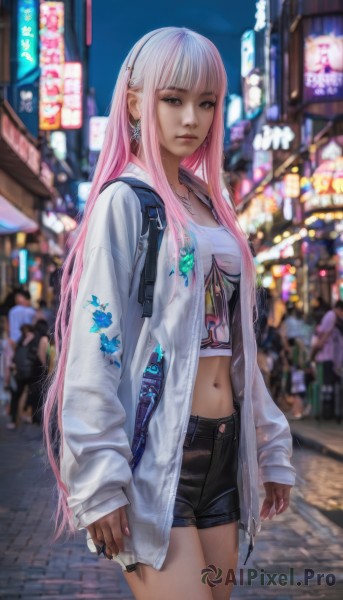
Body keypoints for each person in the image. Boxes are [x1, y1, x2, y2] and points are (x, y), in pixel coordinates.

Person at [44, 28, 296, 600]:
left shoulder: (210, 202)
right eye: (173, 99)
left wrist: (269, 444)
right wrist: (102, 482)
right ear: (135, 100)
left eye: (207, 102)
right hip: (157, 455)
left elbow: (235, 347)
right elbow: (95, 346)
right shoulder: (126, 202)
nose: (192, 118)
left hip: (225, 455)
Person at [312, 300, 343, 419]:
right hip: (327, 356)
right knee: (327, 385)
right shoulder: (331, 316)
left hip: (330, 357)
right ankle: (326, 412)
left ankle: (329, 412)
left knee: (329, 385)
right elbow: (324, 336)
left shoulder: (334, 318)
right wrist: (313, 354)